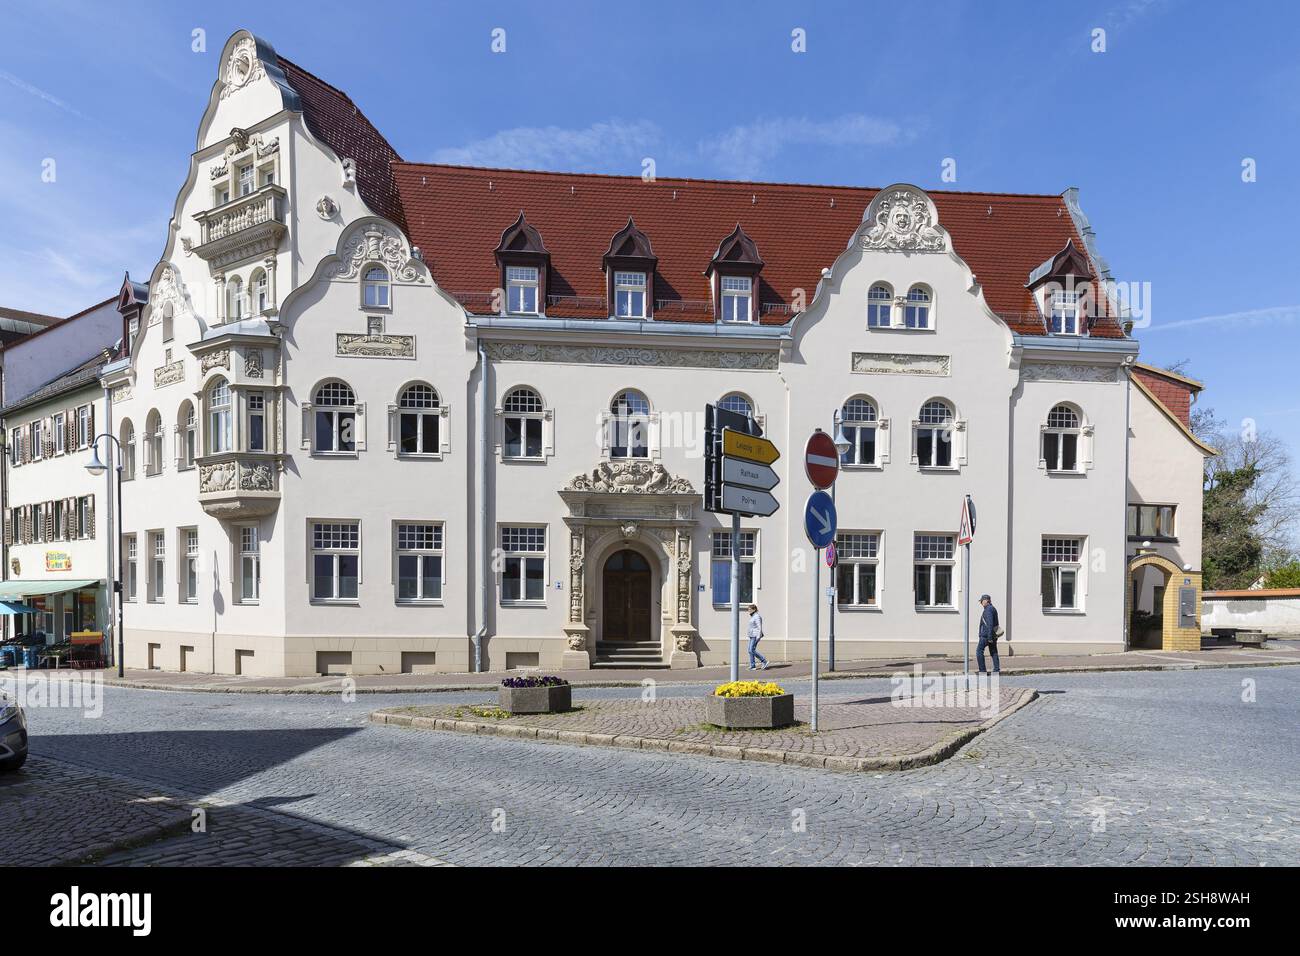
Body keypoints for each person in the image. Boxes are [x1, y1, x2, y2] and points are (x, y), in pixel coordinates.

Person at [977, 594, 1000, 674]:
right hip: (992, 635)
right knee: (993, 652)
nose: (981, 603)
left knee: (979, 651)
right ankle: (996, 670)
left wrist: (989, 637)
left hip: (986, 635)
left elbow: (990, 623)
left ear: (986, 601)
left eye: (982, 601)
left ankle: (982, 670)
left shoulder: (988, 609)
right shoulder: (992, 608)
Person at [746, 603, 768, 670]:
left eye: (750, 609)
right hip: (752, 635)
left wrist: (759, 636)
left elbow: (759, 627)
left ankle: (764, 661)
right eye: (748, 609)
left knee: (751, 650)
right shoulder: (753, 616)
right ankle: (753, 666)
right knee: (750, 650)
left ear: (754, 609)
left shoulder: (757, 616)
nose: (748, 611)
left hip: (755, 635)